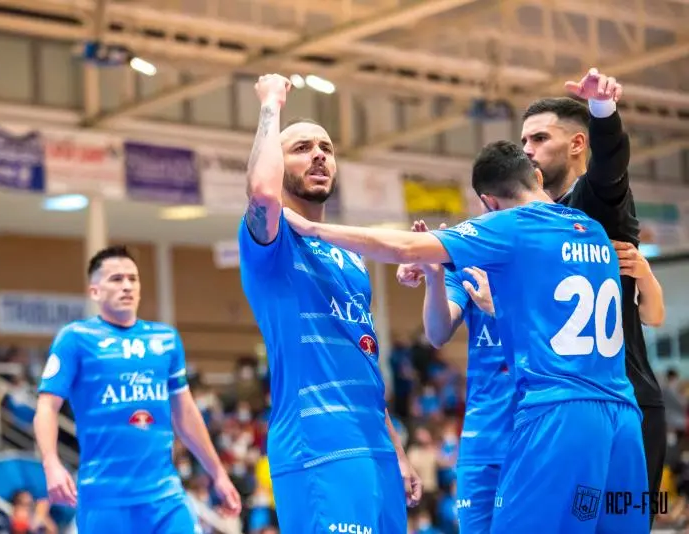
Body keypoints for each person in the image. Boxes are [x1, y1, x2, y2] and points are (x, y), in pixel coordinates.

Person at [283, 140, 649, 533]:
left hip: (560, 414)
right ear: (536, 177)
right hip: (624, 417)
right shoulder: (591, 229)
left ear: (488, 202)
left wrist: (314, 228)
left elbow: (403, 246)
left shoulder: (511, 225)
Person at [238, 73, 422, 534]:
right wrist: (270, 104)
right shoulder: (272, 242)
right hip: (317, 448)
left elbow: (365, 362)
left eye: (326, 147)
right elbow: (262, 192)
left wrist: (396, 453)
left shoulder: (351, 260)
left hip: (375, 451)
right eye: (301, 148)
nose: (319, 153)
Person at [521, 69, 666, 525]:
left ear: (577, 144)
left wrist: (603, 111)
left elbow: (610, 166)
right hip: (568, 410)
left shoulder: (594, 200)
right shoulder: (533, 219)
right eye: (522, 141)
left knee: (626, 524)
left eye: (539, 138)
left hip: (627, 404)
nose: (527, 150)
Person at [34, 245, 241, 534]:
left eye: (133, 278)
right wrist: (51, 463)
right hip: (104, 501)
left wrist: (218, 473)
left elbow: (185, 413)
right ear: (94, 291)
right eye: (116, 279)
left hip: (164, 497)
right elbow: (46, 406)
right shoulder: (75, 339)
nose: (127, 286)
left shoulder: (165, 339)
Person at [396, 220, 514, 534]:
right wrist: (434, 276)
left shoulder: (546, 253)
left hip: (536, 432)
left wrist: (499, 308)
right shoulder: (470, 258)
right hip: (482, 439)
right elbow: (437, 332)